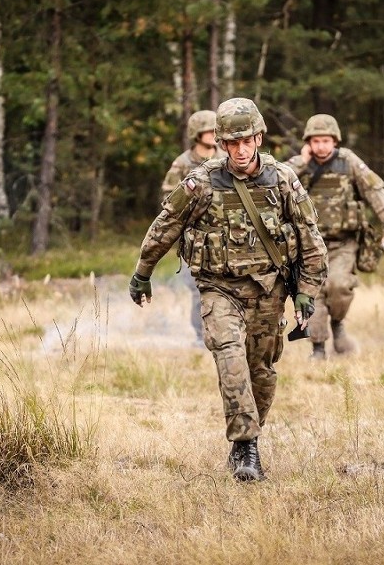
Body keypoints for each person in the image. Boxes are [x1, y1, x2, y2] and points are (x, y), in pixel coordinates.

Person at [129, 98, 327, 481]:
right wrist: (143, 272)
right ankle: (247, 447)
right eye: (232, 142)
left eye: (246, 141)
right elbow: (165, 225)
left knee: (262, 373)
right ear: (221, 143)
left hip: (269, 291)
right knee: (230, 359)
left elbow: (310, 239)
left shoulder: (283, 179)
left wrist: (306, 291)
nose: (240, 149)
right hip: (219, 289)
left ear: (259, 138)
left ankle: (244, 442)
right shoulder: (201, 182)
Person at [285, 114, 384, 360]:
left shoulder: (348, 162)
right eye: (315, 141)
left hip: (343, 243)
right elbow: (274, 183)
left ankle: (337, 324)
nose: (321, 146)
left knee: (338, 286)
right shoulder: (298, 167)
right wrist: (300, 162)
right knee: (311, 292)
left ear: (335, 141)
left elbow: (376, 191)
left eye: (326, 140)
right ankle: (317, 348)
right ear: (308, 143)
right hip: (309, 244)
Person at [160, 110, 225, 342]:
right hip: (193, 237)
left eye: (214, 131)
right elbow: (169, 199)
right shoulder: (183, 163)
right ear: (196, 134)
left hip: (223, 235)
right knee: (198, 290)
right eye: (207, 131)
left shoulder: (225, 158)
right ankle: (201, 335)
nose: (211, 135)